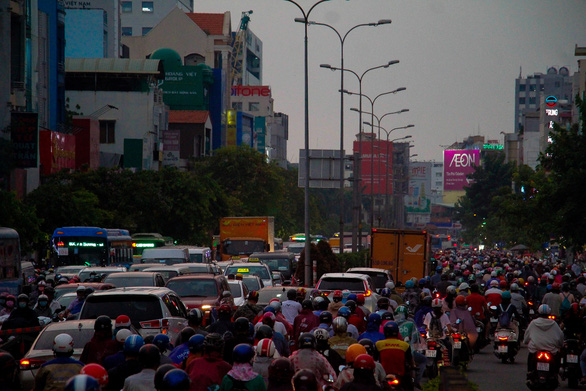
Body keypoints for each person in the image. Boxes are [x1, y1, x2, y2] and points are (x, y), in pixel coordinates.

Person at [523, 304, 564, 378]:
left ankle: (530, 372)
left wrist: (525, 341)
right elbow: (560, 336)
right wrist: (560, 345)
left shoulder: (533, 323)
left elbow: (526, 336)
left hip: (535, 349)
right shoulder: (554, 324)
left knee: (530, 357)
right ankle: (555, 374)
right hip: (551, 350)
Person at [375, 322, 414, 390]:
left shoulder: (378, 344)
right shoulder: (405, 345)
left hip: (383, 375)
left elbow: (375, 359)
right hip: (401, 375)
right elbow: (410, 360)